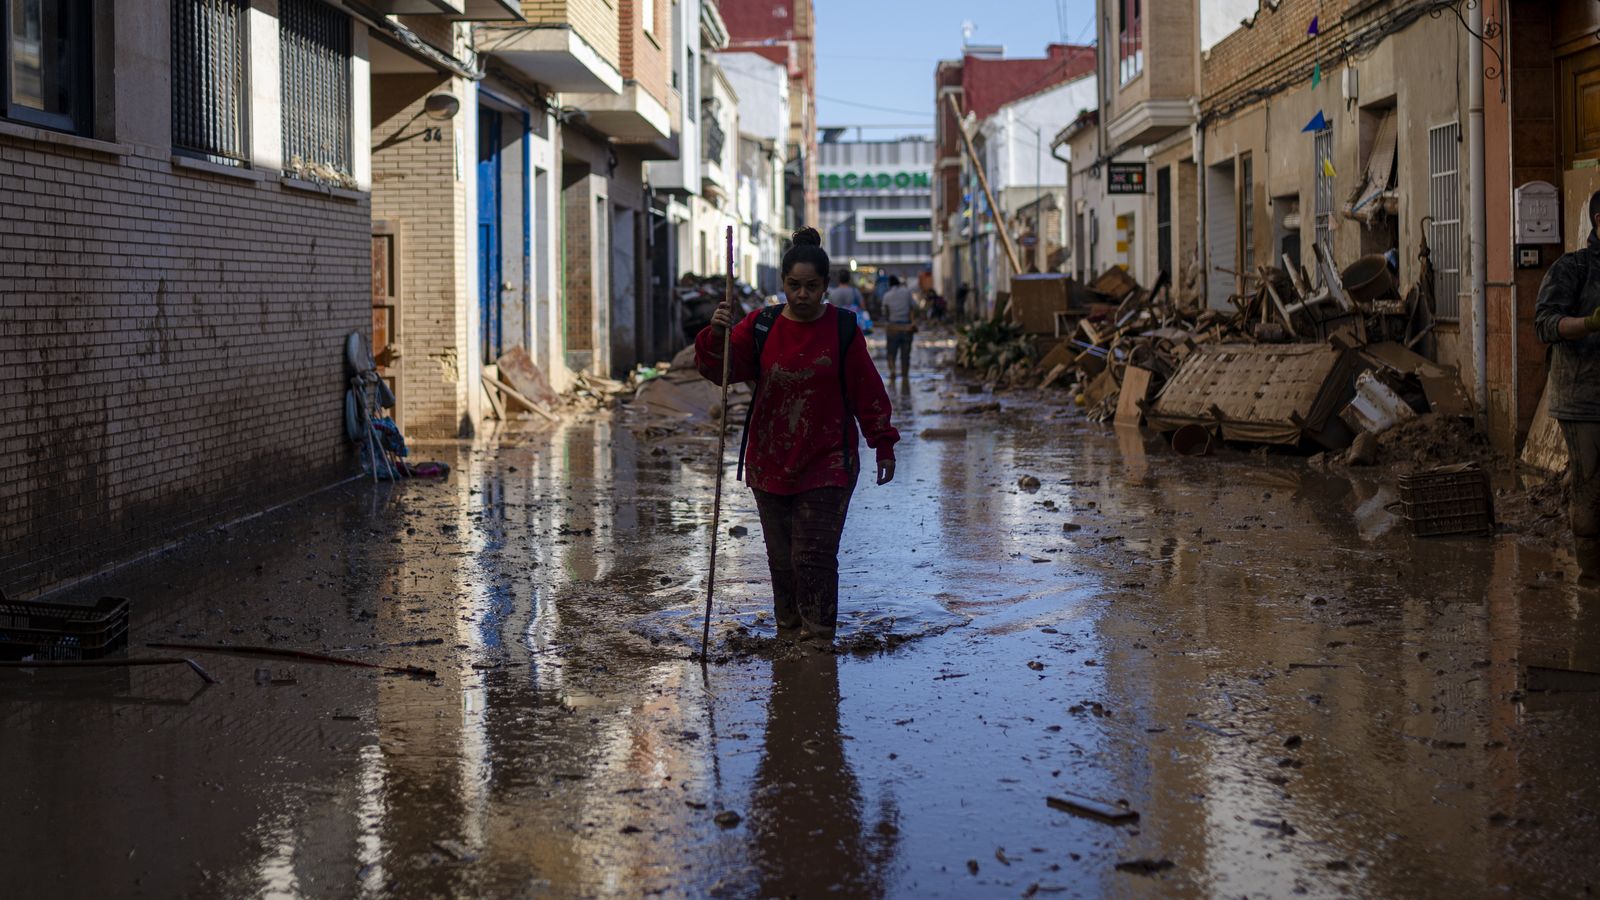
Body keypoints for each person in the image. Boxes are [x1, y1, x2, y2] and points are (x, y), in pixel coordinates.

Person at [696, 227, 900, 642]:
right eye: (794, 286)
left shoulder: (843, 329)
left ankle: (820, 637)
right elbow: (723, 371)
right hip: (770, 460)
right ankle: (788, 632)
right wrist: (716, 333)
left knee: (815, 555)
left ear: (825, 286)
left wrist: (883, 443)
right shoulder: (761, 326)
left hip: (829, 461)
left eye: (811, 286)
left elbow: (868, 390)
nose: (802, 294)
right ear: (783, 284)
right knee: (782, 560)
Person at [1536, 190, 1600, 582]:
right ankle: (1591, 579)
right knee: (1590, 488)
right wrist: (1589, 323)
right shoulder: (1572, 268)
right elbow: (1544, 324)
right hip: (1582, 400)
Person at [881, 276, 917, 381]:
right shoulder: (907, 292)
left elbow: (884, 312)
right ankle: (905, 375)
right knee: (905, 354)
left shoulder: (887, 296)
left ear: (890, 284)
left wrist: (889, 320)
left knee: (891, 352)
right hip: (907, 327)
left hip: (893, 328)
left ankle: (892, 372)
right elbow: (914, 307)